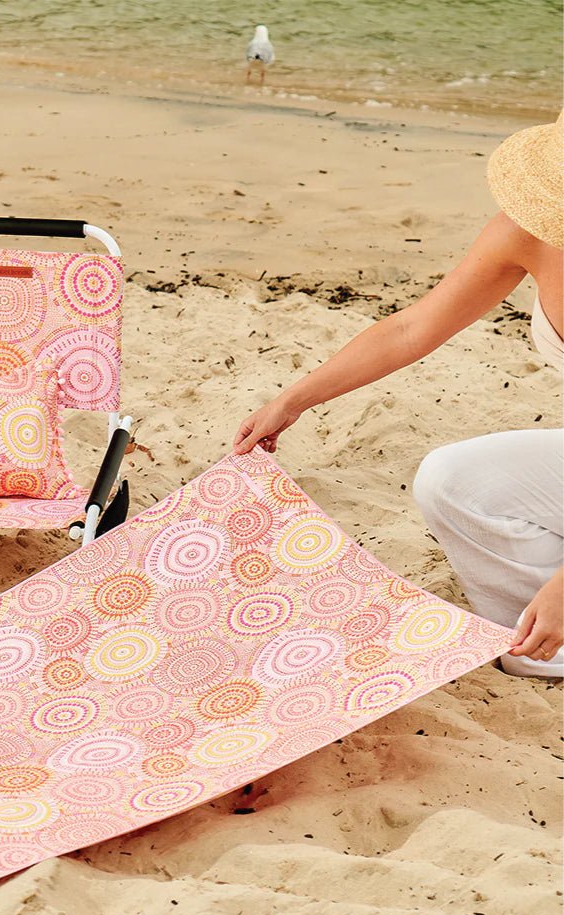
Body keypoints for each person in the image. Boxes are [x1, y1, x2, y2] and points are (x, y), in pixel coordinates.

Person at [234, 113, 563, 680]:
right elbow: (414, 328)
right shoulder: (532, 230)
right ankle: (549, 650)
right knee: (451, 480)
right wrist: (293, 400)